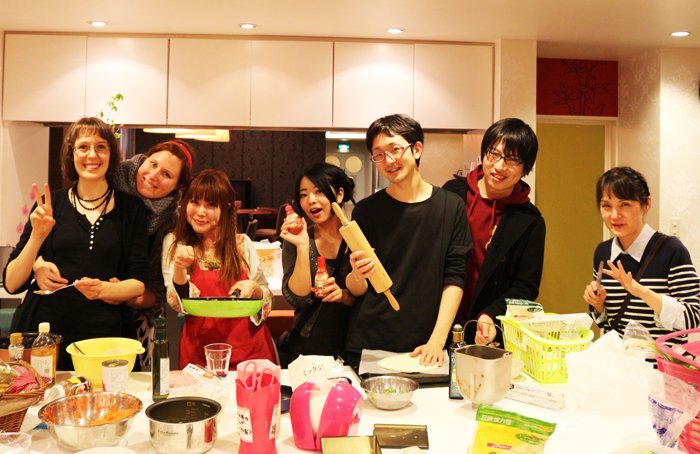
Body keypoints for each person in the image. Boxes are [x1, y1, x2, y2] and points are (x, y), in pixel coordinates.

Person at [31, 139, 195, 370]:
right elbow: (51, 244)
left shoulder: (168, 226)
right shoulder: (103, 182)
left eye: (167, 174)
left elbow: (155, 294)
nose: (154, 175)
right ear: (143, 159)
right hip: (61, 312)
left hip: (121, 324)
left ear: (177, 186)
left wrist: (121, 293)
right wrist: (37, 264)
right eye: (153, 164)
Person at [2, 117, 149, 370]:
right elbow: (12, 283)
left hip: (106, 339)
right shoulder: (51, 204)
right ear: (71, 155)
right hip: (46, 338)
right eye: (83, 147)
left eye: (101, 147)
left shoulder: (131, 209)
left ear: (111, 154)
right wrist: (37, 238)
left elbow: (138, 283)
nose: (92, 155)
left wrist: (102, 290)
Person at [344, 114, 470, 368]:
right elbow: (355, 288)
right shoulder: (366, 211)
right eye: (379, 154)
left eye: (395, 149)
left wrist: (437, 340)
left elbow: (455, 277)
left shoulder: (451, 206)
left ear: (417, 149)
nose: (388, 161)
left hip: (426, 345)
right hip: (371, 341)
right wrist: (357, 274)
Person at [443, 118, 545, 345]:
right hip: (438, 320)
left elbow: (526, 286)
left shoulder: (530, 221)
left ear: (525, 167)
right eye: (494, 154)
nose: (499, 166)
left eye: (512, 159)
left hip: (488, 329)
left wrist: (492, 313)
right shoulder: (453, 194)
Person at [162, 169, 277, 369]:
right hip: (200, 353)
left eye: (211, 205)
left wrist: (256, 290)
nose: (200, 212)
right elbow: (177, 304)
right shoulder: (174, 243)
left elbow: (267, 297)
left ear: (226, 208)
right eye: (194, 202)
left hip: (249, 351)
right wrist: (180, 268)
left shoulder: (242, 244)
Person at [583, 167, 700, 343]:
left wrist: (641, 291)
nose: (615, 215)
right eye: (607, 206)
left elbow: (693, 318)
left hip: (660, 359)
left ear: (646, 204)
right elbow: (603, 324)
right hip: (617, 357)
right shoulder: (603, 252)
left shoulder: (671, 250)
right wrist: (598, 305)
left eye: (625, 204)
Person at [278, 163, 357, 367]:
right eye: (303, 195)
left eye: (319, 191)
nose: (310, 200)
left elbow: (371, 298)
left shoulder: (358, 238)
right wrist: (303, 246)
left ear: (340, 194)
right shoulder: (298, 239)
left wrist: (344, 295)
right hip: (308, 346)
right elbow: (298, 298)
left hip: (353, 345)